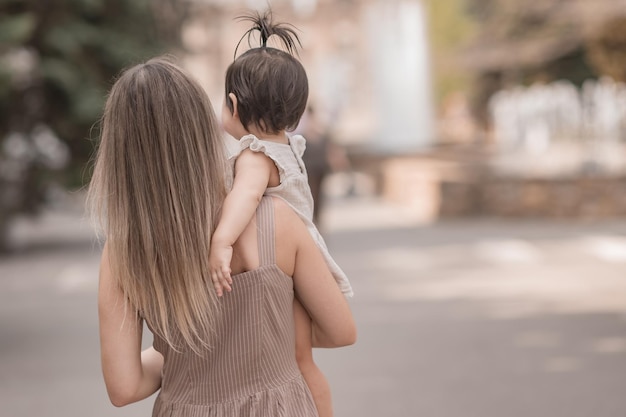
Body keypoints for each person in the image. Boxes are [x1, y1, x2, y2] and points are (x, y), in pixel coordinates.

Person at [87, 57, 356, 416]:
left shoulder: (122, 254)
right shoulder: (276, 220)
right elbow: (340, 331)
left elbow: (124, 387)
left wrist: (184, 356)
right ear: (203, 127)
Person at [208, 10, 353, 417]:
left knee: (294, 360)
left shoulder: (255, 154)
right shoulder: (288, 146)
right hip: (302, 262)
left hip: (282, 269)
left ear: (232, 104)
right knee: (301, 360)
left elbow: (246, 197)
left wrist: (221, 239)